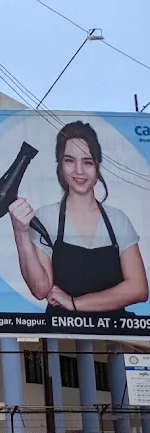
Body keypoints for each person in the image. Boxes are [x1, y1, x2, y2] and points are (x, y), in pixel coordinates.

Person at [9, 120, 148, 318]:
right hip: (62, 333)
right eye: (69, 160)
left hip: (113, 335)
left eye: (87, 162)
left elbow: (139, 288)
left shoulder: (117, 219)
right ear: (60, 165)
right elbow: (40, 289)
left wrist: (76, 303)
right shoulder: (46, 217)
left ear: (98, 166)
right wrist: (20, 233)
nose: (79, 171)